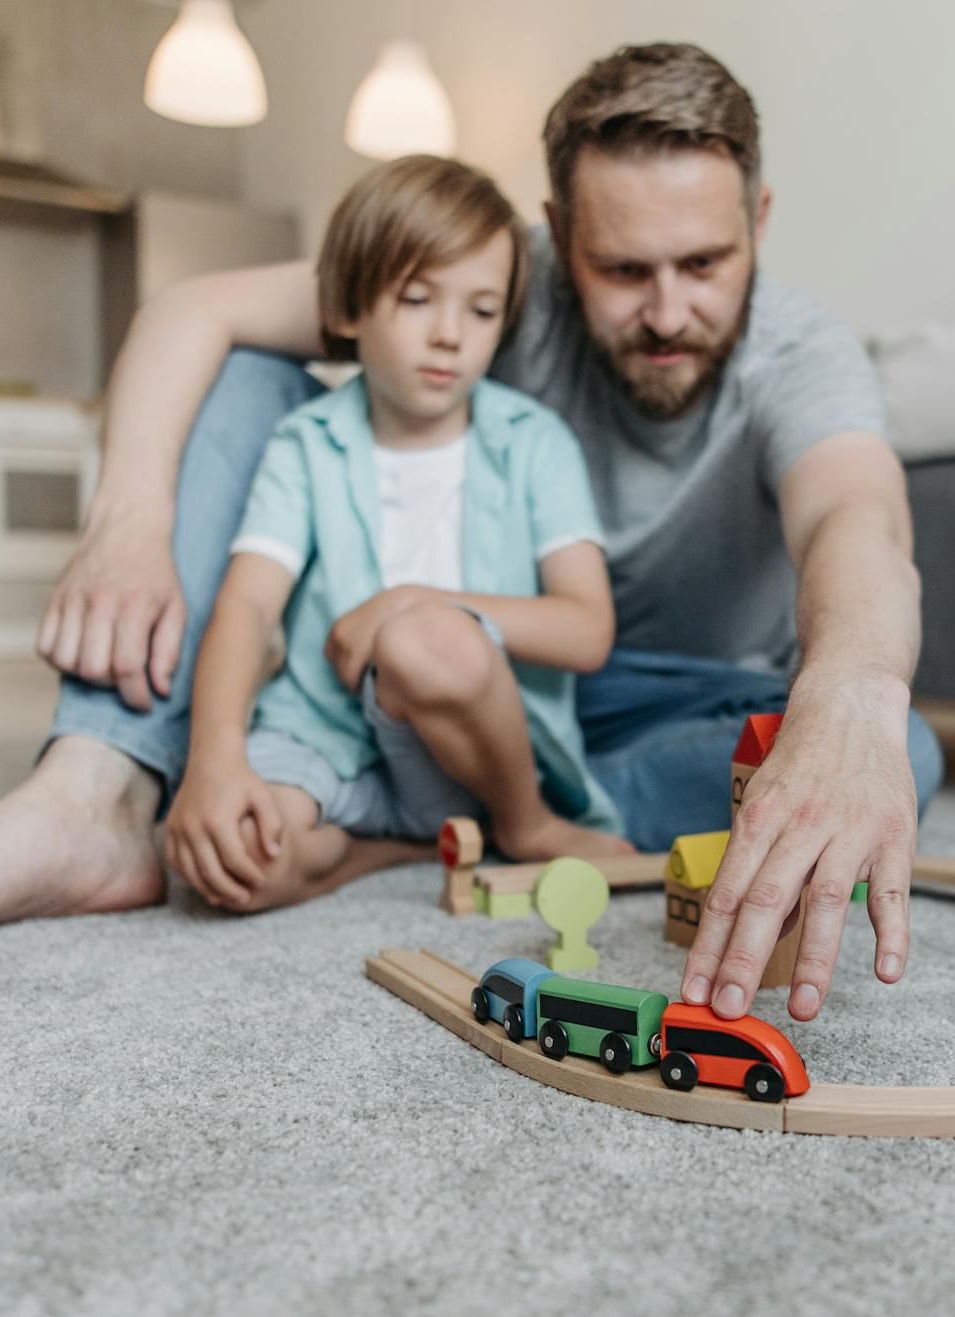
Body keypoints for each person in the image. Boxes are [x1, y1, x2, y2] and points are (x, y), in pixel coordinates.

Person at [0, 42, 941, 1027]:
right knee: (247, 367)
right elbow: (193, 309)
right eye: (621, 269)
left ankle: (449, 828)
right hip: (427, 673)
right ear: (554, 236)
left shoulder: (800, 355)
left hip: (649, 701)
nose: (667, 310)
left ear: (759, 220)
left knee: (907, 746)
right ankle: (98, 786)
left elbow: (856, 515)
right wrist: (128, 521)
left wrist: (848, 691)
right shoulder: (496, 285)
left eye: (705, 263)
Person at [162, 156, 631, 915]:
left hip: (481, 751)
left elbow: (588, 629)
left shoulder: (535, 442)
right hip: (332, 736)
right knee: (236, 865)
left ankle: (521, 823)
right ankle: (409, 845)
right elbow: (246, 608)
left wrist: (411, 601)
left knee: (423, 639)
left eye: (481, 312)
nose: (450, 335)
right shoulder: (306, 443)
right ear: (349, 311)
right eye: (417, 299)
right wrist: (212, 763)